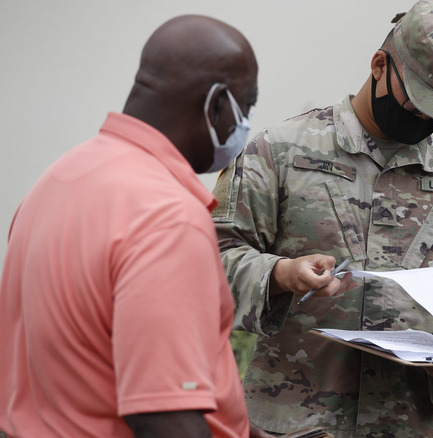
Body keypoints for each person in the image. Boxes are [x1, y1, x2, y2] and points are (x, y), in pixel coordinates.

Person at [211, 0, 433, 436]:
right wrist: (281, 274)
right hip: (298, 423)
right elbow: (210, 263)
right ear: (379, 66)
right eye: (416, 103)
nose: (424, 119)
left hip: (414, 425)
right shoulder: (280, 152)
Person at [0, 15, 261, 438]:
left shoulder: (58, 178)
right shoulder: (167, 217)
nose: (245, 126)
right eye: (245, 107)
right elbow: (164, 418)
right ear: (216, 105)